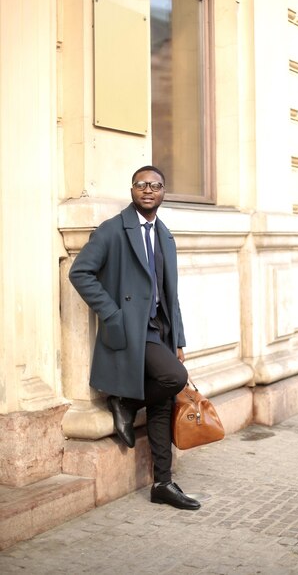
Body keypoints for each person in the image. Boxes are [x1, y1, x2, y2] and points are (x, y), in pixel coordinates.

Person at [69, 165, 200, 510]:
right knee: (175, 377)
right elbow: (80, 272)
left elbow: (172, 295)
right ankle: (125, 402)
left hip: (160, 329)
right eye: (141, 184)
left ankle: (163, 482)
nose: (148, 190)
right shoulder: (113, 231)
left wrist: (180, 340)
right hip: (132, 329)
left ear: (163, 192)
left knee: (163, 402)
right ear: (132, 190)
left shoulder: (165, 235)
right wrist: (112, 314)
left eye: (155, 185)